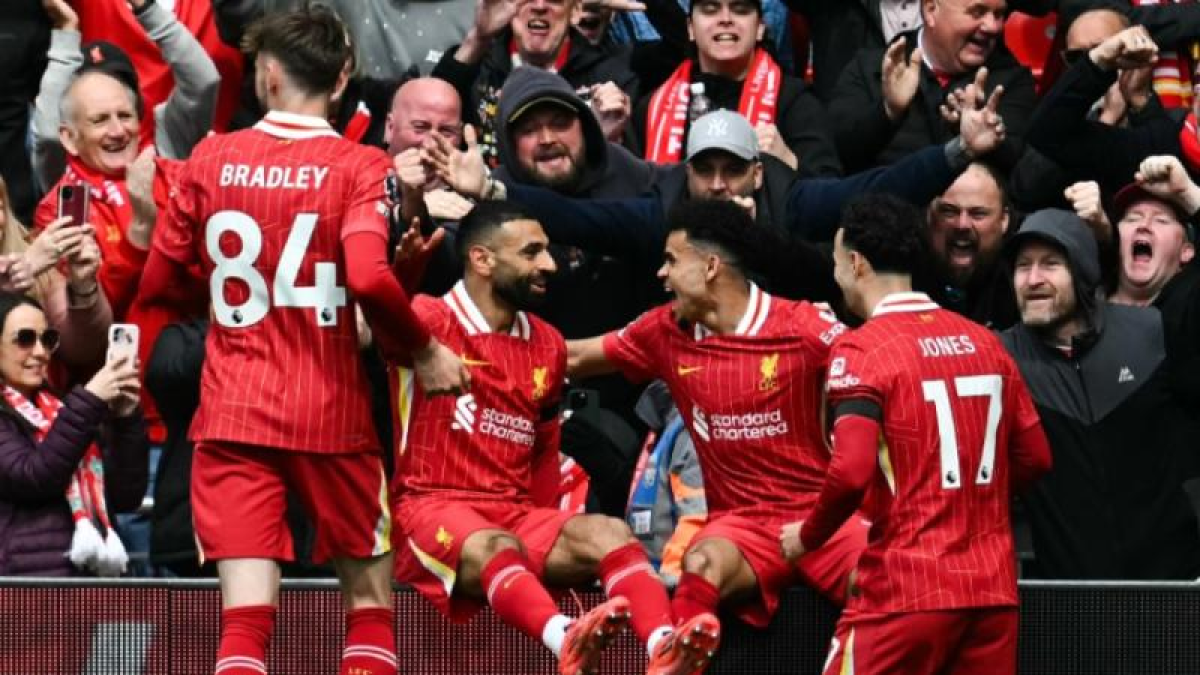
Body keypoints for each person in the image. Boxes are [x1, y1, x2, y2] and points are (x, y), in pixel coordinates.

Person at [137, 8, 468, 675]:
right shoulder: (359, 165)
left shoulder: (210, 158)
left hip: (233, 412)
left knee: (244, 628)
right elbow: (370, 279)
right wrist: (427, 349)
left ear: (268, 72)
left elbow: (158, 280)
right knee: (370, 610)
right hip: (332, 415)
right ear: (344, 77)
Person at [566, 199, 868, 673]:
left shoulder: (804, 326)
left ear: (709, 266)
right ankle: (677, 660)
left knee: (879, 581)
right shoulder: (663, 332)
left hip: (818, 517)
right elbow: (577, 357)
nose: (660, 275)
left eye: (670, 260)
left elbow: (875, 365)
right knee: (701, 562)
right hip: (742, 524)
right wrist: (464, 353)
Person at [391, 200, 685, 674]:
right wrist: (399, 278)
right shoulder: (427, 320)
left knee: (607, 533)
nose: (549, 265)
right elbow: (361, 333)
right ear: (482, 259)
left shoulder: (547, 342)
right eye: (532, 252)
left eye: (547, 251)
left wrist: (548, 530)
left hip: (513, 515)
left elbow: (545, 446)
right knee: (494, 546)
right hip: (430, 508)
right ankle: (567, 637)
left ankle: (665, 647)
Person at [779, 194, 1052, 675]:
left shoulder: (860, 348)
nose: (835, 273)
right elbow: (1035, 457)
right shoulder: (984, 341)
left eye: (837, 261)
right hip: (991, 591)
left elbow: (849, 473)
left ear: (856, 263)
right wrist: (966, 502)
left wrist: (807, 536)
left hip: (905, 592)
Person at [1000, 208, 1200, 579]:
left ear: (1083, 271)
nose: (1033, 279)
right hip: (1070, 601)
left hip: (1174, 591)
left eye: (1050, 264)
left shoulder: (1150, 333)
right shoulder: (1001, 361)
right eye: (1022, 266)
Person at [0, 291, 148, 576]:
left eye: (48, 340)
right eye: (25, 339)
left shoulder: (60, 411)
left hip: (86, 584)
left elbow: (124, 496)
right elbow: (34, 476)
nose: (41, 352)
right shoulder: (74, 413)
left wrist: (125, 417)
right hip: (24, 588)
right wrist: (90, 400)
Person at [32, 0, 220, 192]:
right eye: (99, 120)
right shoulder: (65, 173)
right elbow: (49, 135)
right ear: (70, 137)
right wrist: (66, 31)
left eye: (124, 115)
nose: (117, 132)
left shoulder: (168, 142)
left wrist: (148, 9)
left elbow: (203, 83)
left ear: (138, 109)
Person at [827, 0, 1035, 173]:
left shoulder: (1011, 81)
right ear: (930, 10)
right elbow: (837, 157)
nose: (993, 26)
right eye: (977, 11)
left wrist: (984, 138)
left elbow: (1021, 178)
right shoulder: (872, 69)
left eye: (999, 14)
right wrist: (887, 112)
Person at [636, 0, 840, 177]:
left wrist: (789, 162)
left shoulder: (796, 101)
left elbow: (829, 196)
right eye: (710, 9)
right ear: (690, 28)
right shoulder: (652, 107)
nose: (725, 19)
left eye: (740, 9)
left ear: (760, 27)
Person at [433, 0, 638, 166]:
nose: (539, 6)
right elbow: (429, 113)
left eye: (554, 0)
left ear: (575, 11)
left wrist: (604, 140)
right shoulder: (478, 69)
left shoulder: (611, 74)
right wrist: (478, 38)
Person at [920, 161, 1019, 328]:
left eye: (978, 214)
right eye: (949, 211)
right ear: (929, 215)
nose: (962, 225)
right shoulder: (904, 271)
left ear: (1004, 220)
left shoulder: (1024, 273)